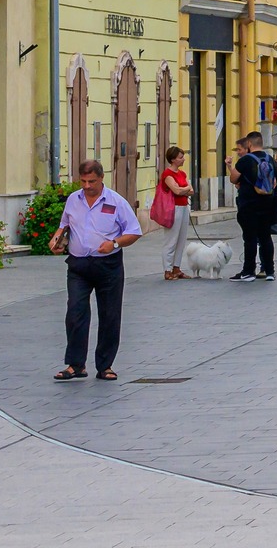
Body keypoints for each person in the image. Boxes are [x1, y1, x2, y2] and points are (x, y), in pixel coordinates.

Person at [49, 159, 142, 381]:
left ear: (101, 178)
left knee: (109, 314)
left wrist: (115, 243)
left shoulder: (116, 201)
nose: (87, 186)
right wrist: (57, 240)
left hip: (108, 265)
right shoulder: (73, 200)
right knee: (75, 312)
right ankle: (75, 365)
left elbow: (134, 231)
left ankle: (105, 365)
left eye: (92, 181)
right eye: (83, 181)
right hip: (79, 264)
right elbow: (64, 226)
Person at [231, 132, 277, 282]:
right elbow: (276, 181)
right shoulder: (269, 159)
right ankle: (269, 271)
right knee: (266, 237)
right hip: (267, 203)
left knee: (250, 238)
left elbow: (234, 178)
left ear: (250, 144)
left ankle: (248, 271)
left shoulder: (245, 160)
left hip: (249, 204)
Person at [152, 146, 192, 280]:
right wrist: (185, 188)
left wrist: (184, 189)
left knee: (181, 238)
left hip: (184, 206)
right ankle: (167, 269)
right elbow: (177, 191)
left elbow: (190, 191)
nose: (183, 159)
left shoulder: (182, 174)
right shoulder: (167, 174)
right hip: (173, 208)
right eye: (181, 157)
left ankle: (177, 267)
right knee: (171, 239)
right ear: (173, 159)